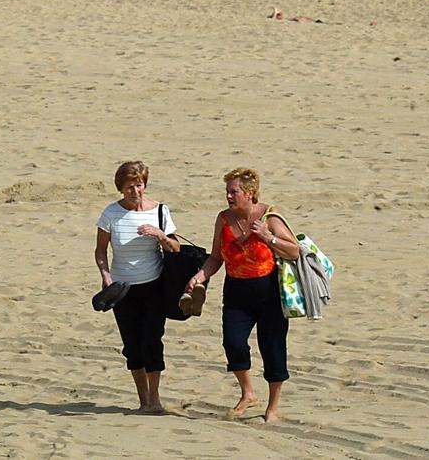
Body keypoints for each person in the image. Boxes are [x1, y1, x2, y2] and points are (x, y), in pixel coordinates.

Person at [184, 168, 300, 423]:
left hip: (269, 291)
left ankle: (272, 406)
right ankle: (248, 393)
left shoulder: (270, 216)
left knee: (273, 348)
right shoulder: (223, 218)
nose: (228, 196)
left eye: (233, 191)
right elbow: (216, 257)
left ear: (250, 193)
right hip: (236, 291)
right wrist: (199, 277)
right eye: (227, 191)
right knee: (233, 343)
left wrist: (268, 237)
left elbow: (294, 251)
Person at [95, 161, 181, 414]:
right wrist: (105, 275)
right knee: (132, 345)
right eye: (129, 187)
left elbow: (175, 248)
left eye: (139, 185)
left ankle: (155, 400)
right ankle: (143, 400)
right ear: (121, 189)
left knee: (152, 341)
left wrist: (160, 235)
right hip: (122, 289)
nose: (135, 191)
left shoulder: (159, 211)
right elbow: (101, 250)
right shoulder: (111, 214)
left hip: (153, 285)